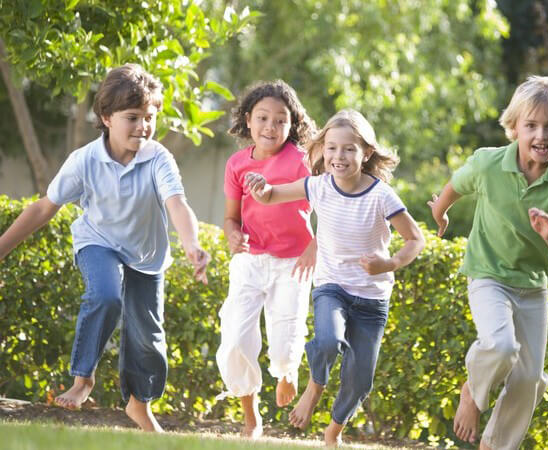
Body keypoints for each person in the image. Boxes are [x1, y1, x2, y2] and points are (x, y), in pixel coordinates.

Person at [0, 63, 210, 432]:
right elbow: (42, 208)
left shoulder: (158, 158)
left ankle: (138, 405)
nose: (143, 126)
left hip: (146, 256)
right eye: (133, 117)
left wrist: (192, 244)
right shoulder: (84, 161)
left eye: (150, 117)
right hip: (98, 243)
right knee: (106, 296)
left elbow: (177, 204)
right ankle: (83, 381)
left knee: (149, 337)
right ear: (106, 117)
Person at [242, 109, 425, 446]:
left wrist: (389, 263)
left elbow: (415, 239)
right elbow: (271, 194)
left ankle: (333, 432)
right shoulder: (318, 186)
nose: (338, 156)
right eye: (331, 148)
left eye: (348, 149)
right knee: (328, 340)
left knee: (360, 379)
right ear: (322, 150)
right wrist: (260, 187)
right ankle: (314, 387)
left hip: (372, 298)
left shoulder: (381, 195)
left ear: (366, 153)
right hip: (332, 286)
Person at [428, 75, 548, 450]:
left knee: (529, 378)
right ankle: (473, 392)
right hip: (488, 275)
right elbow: (456, 185)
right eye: (531, 125)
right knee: (500, 345)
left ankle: (495, 445)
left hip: (533, 287)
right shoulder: (488, 164)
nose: (541, 135)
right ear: (514, 127)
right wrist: (440, 213)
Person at [215, 80, 317, 438]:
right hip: (251, 259)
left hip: (293, 262)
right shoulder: (237, 164)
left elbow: (331, 206)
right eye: (262, 118)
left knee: (286, 333)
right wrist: (231, 233)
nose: (270, 127)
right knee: (235, 337)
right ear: (248, 120)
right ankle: (250, 416)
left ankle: (287, 372)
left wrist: (313, 247)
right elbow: (231, 217)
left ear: (293, 125)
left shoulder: (303, 161)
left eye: (280, 120)